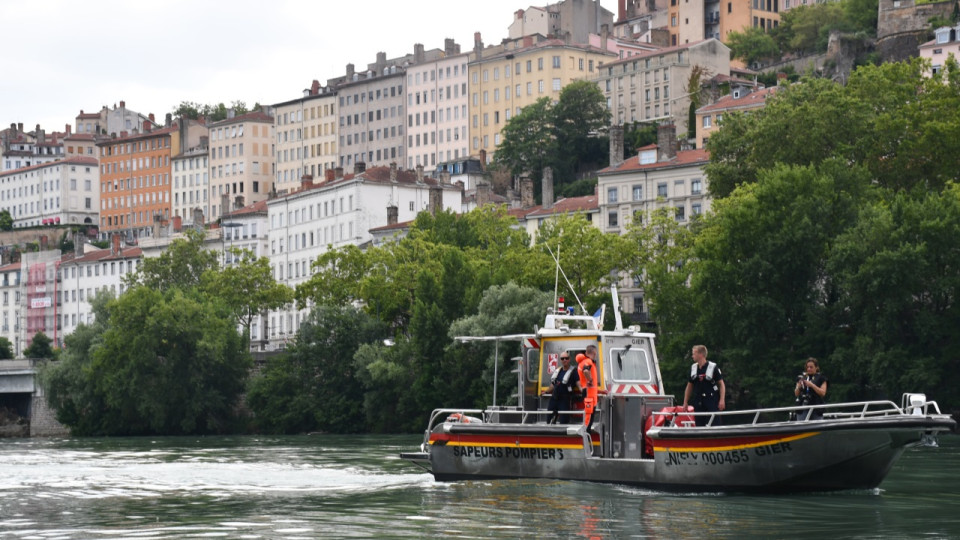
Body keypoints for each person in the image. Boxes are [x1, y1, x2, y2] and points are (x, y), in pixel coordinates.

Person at [682, 344, 725, 426]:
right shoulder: (693, 368)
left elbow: (721, 384)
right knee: (699, 423)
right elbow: (689, 386)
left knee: (715, 423)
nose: (692, 356)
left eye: (694, 354)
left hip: (711, 399)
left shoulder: (713, 367)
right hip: (698, 400)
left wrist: (722, 400)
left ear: (700, 354)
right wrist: (685, 402)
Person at [542, 353, 579, 424]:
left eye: (566, 358)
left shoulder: (574, 372)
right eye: (562, 359)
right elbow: (553, 385)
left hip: (565, 399)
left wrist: (584, 391)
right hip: (554, 398)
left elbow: (578, 383)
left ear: (569, 359)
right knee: (549, 418)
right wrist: (546, 392)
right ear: (560, 360)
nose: (564, 360)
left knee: (564, 421)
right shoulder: (558, 371)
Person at [578, 345, 599, 430]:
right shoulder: (588, 361)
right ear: (594, 352)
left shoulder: (583, 362)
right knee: (589, 417)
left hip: (588, 392)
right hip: (589, 394)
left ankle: (587, 431)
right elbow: (586, 370)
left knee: (589, 415)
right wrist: (590, 380)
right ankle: (586, 432)